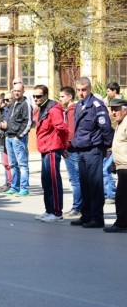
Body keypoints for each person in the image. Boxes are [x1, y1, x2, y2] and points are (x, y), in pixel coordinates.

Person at [70, 77, 114, 229]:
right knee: (85, 184)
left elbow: (106, 128)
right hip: (81, 150)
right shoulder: (79, 105)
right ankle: (86, 215)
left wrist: (107, 147)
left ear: (89, 89)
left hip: (94, 149)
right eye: (79, 90)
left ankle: (97, 218)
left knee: (95, 185)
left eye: (84, 90)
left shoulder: (97, 105)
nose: (81, 93)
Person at [31, 85, 69, 222]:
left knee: (53, 181)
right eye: (34, 96)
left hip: (53, 148)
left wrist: (64, 146)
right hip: (45, 148)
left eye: (39, 96)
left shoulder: (53, 109)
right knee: (46, 181)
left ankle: (57, 213)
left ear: (46, 95)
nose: (36, 99)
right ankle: (49, 210)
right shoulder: (41, 108)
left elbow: (63, 129)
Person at [0, 82, 32, 196]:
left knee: (22, 164)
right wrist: (6, 125)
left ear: (23, 91)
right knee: (12, 164)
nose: (16, 93)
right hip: (9, 137)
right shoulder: (13, 103)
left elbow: (27, 122)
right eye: (14, 90)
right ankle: (14, 186)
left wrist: (19, 136)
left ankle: (24, 188)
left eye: (19, 91)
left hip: (18, 138)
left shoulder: (25, 104)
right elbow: (11, 120)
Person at [104, 98, 127, 233]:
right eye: (112, 110)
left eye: (116, 110)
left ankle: (121, 224)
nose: (113, 112)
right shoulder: (121, 122)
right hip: (121, 164)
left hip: (126, 165)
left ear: (125, 110)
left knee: (121, 197)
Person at [59, 86, 81, 218]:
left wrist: (65, 146)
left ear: (70, 96)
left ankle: (77, 207)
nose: (60, 99)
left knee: (75, 180)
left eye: (62, 96)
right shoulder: (72, 109)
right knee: (77, 179)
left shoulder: (72, 110)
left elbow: (71, 131)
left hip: (71, 149)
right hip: (73, 148)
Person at [103, 82, 120, 204]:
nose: (107, 93)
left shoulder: (117, 104)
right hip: (112, 140)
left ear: (114, 91)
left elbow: (111, 121)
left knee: (105, 169)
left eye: (109, 91)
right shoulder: (112, 103)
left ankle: (111, 193)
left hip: (114, 141)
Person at [0, 92, 12, 192]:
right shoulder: (0, 111)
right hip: (2, 138)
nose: (4, 103)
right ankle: (8, 181)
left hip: (9, 137)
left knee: (10, 163)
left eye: (6, 100)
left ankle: (11, 183)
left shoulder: (8, 110)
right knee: (5, 163)